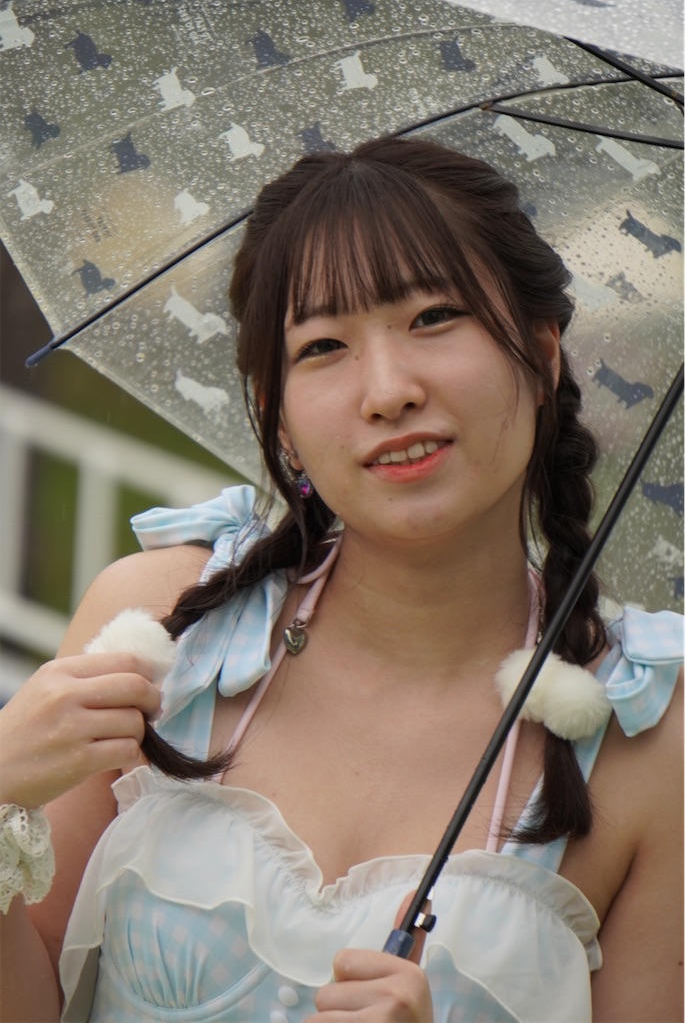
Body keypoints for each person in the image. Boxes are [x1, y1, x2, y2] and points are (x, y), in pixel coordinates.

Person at [0, 136, 682, 1023]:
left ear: (542, 352)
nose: (387, 391)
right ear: (277, 417)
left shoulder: (647, 740)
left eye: (434, 316)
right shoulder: (161, 634)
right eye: (322, 344)